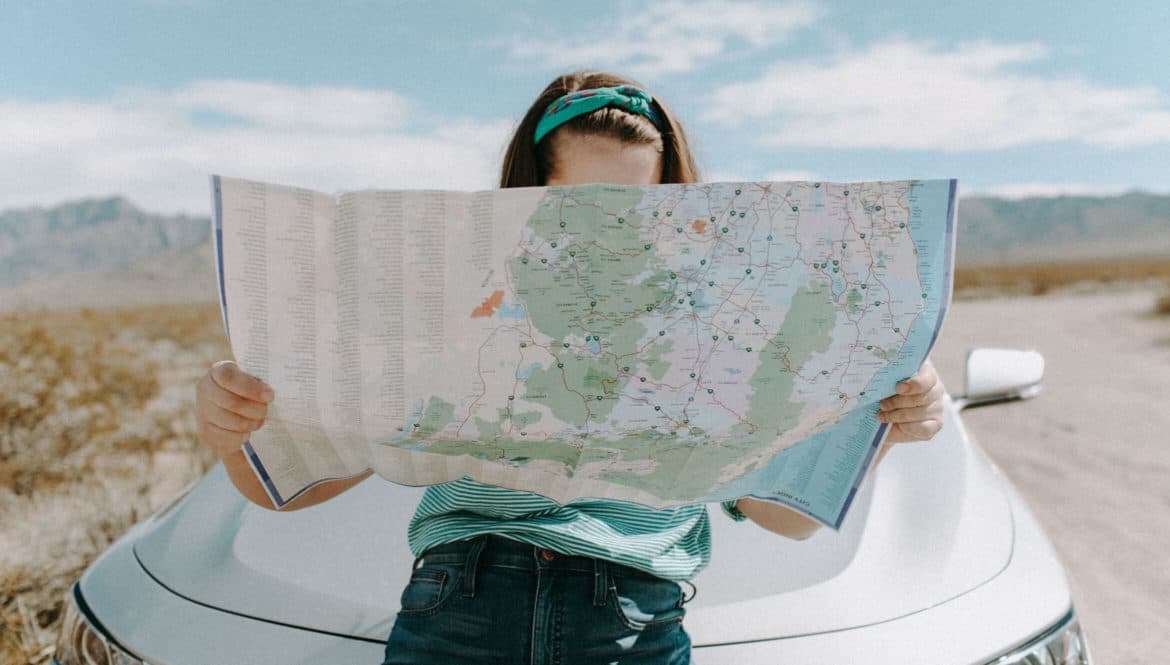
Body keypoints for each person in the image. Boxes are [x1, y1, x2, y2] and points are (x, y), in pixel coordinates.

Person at [194, 71, 946, 665]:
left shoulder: (720, 318)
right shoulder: (454, 300)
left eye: (635, 206)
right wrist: (237, 431)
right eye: (577, 202)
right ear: (526, 194)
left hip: (633, 622)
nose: (602, 228)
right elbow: (294, 489)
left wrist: (882, 427)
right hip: (458, 604)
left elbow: (783, 516)